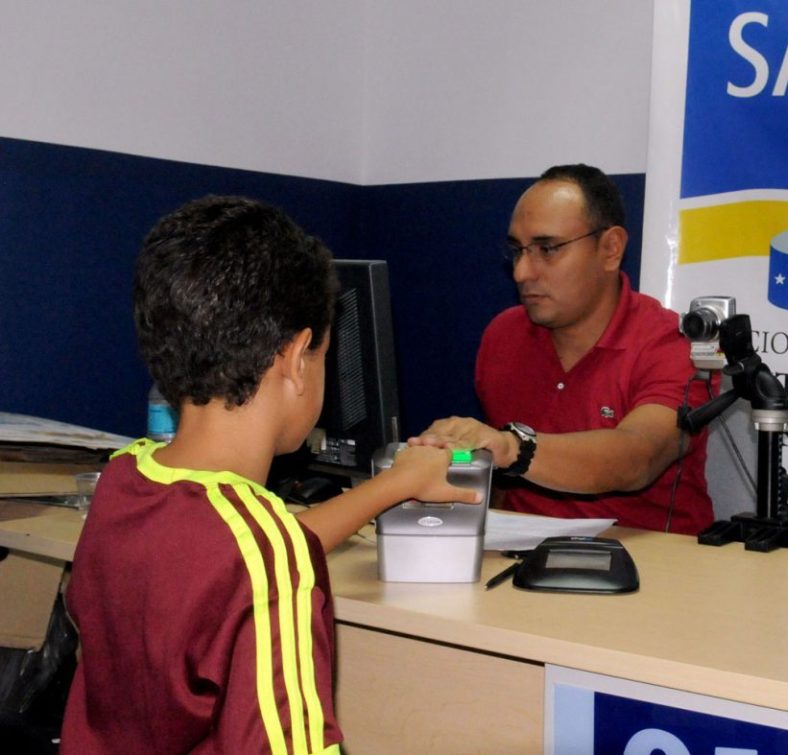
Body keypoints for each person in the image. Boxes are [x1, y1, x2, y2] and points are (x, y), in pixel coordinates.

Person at [59, 196, 479, 753]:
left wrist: (394, 485)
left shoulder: (125, 478)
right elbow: (257, 560)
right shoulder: (258, 553)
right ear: (296, 356)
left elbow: (235, 559)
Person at [409, 164, 714, 535]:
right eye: (517, 251)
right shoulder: (502, 335)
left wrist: (512, 446)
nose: (522, 272)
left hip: (651, 567)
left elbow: (638, 456)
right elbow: (504, 487)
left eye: (547, 249)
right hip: (518, 558)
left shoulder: (674, 345)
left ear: (610, 249)